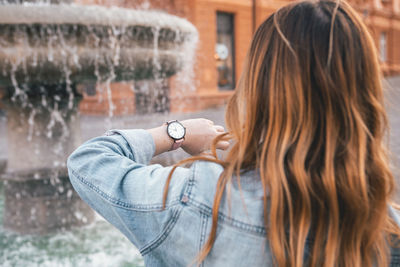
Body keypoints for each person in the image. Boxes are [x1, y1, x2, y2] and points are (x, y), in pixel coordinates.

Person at [67, 0, 400, 266]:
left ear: (261, 87)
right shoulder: (382, 223)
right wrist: (233, 149)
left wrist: (175, 132)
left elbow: (89, 161)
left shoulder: (200, 197)